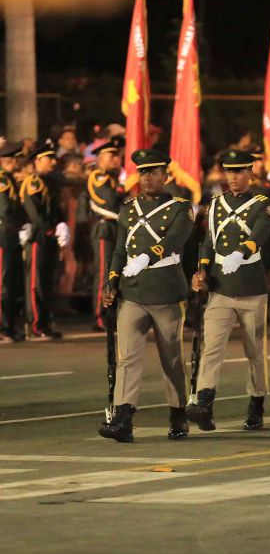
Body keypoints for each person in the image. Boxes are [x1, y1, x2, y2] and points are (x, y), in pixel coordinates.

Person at [97, 149, 195, 442]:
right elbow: (119, 249)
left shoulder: (180, 207)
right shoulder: (128, 208)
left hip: (165, 290)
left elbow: (175, 240)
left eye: (153, 172)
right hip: (133, 292)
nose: (147, 177)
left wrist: (146, 258)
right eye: (142, 172)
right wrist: (112, 280)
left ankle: (178, 412)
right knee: (127, 357)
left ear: (165, 175)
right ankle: (123, 417)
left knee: (172, 357)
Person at [188, 149, 270, 432]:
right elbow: (208, 241)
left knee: (254, 350)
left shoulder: (262, 203)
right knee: (211, 347)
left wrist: (241, 252)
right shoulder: (216, 204)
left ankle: (256, 403)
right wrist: (201, 269)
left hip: (250, 286)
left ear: (250, 173)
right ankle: (204, 403)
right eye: (230, 172)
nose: (234, 177)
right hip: (221, 286)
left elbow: (260, 233)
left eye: (239, 171)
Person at [20, 139, 69, 340]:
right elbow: (35, 213)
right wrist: (51, 228)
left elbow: (56, 209)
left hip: (49, 236)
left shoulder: (49, 182)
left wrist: (61, 223)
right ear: (38, 161)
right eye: (49, 159)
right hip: (39, 236)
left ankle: (46, 322)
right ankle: (37, 323)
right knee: (36, 282)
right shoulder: (32, 182)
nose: (53, 162)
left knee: (48, 281)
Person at [86, 139, 124, 332]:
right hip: (105, 228)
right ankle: (99, 315)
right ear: (100, 159)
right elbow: (107, 201)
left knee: (115, 273)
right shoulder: (98, 177)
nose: (115, 160)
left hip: (116, 229)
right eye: (111, 156)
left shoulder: (113, 178)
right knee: (104, 272)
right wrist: (121, 188)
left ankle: (111, 313)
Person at [0, 139, 24, 343]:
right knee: (3, 282)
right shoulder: (2, 180)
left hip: (10, 234)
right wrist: (18, 224)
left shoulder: (9, 179)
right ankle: (3, 327)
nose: (20, 162)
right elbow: (6, 210)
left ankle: (9, 325)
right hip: (3, 234)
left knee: (11, 281)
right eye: (17, 159)